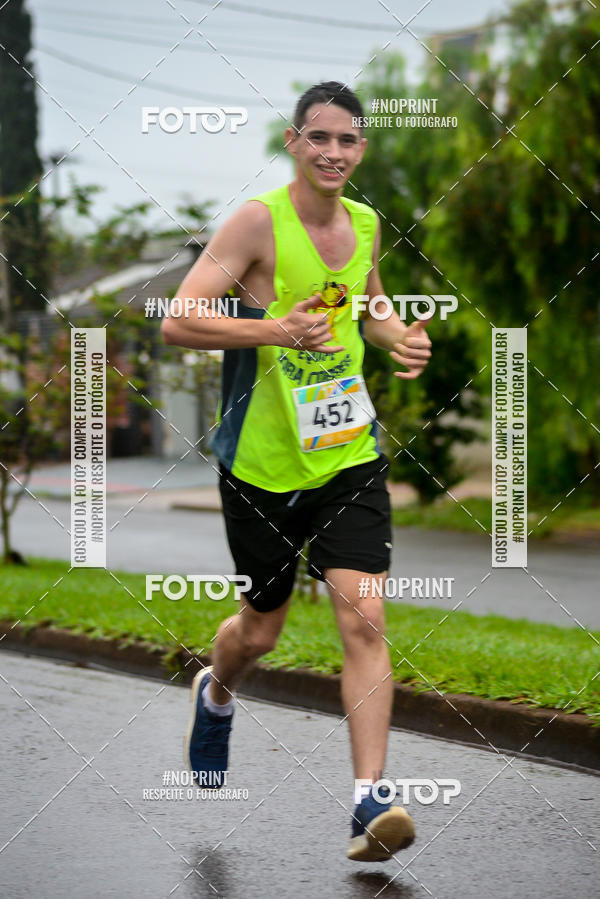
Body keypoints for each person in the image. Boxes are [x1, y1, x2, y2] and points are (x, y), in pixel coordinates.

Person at [162, 80, 432, 862]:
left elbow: (368, 307)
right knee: (262, 629)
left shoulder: (367, 224)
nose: (334, 152)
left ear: (362, 148)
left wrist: (396, 340)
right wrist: (275, 328)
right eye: (320, 137)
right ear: (294, 142)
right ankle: (216, 693)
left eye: (349, 140)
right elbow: (181, 318)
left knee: (365, 617)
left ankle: (368, 803)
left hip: (348, 455)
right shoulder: (257, 222)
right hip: (262, 465)